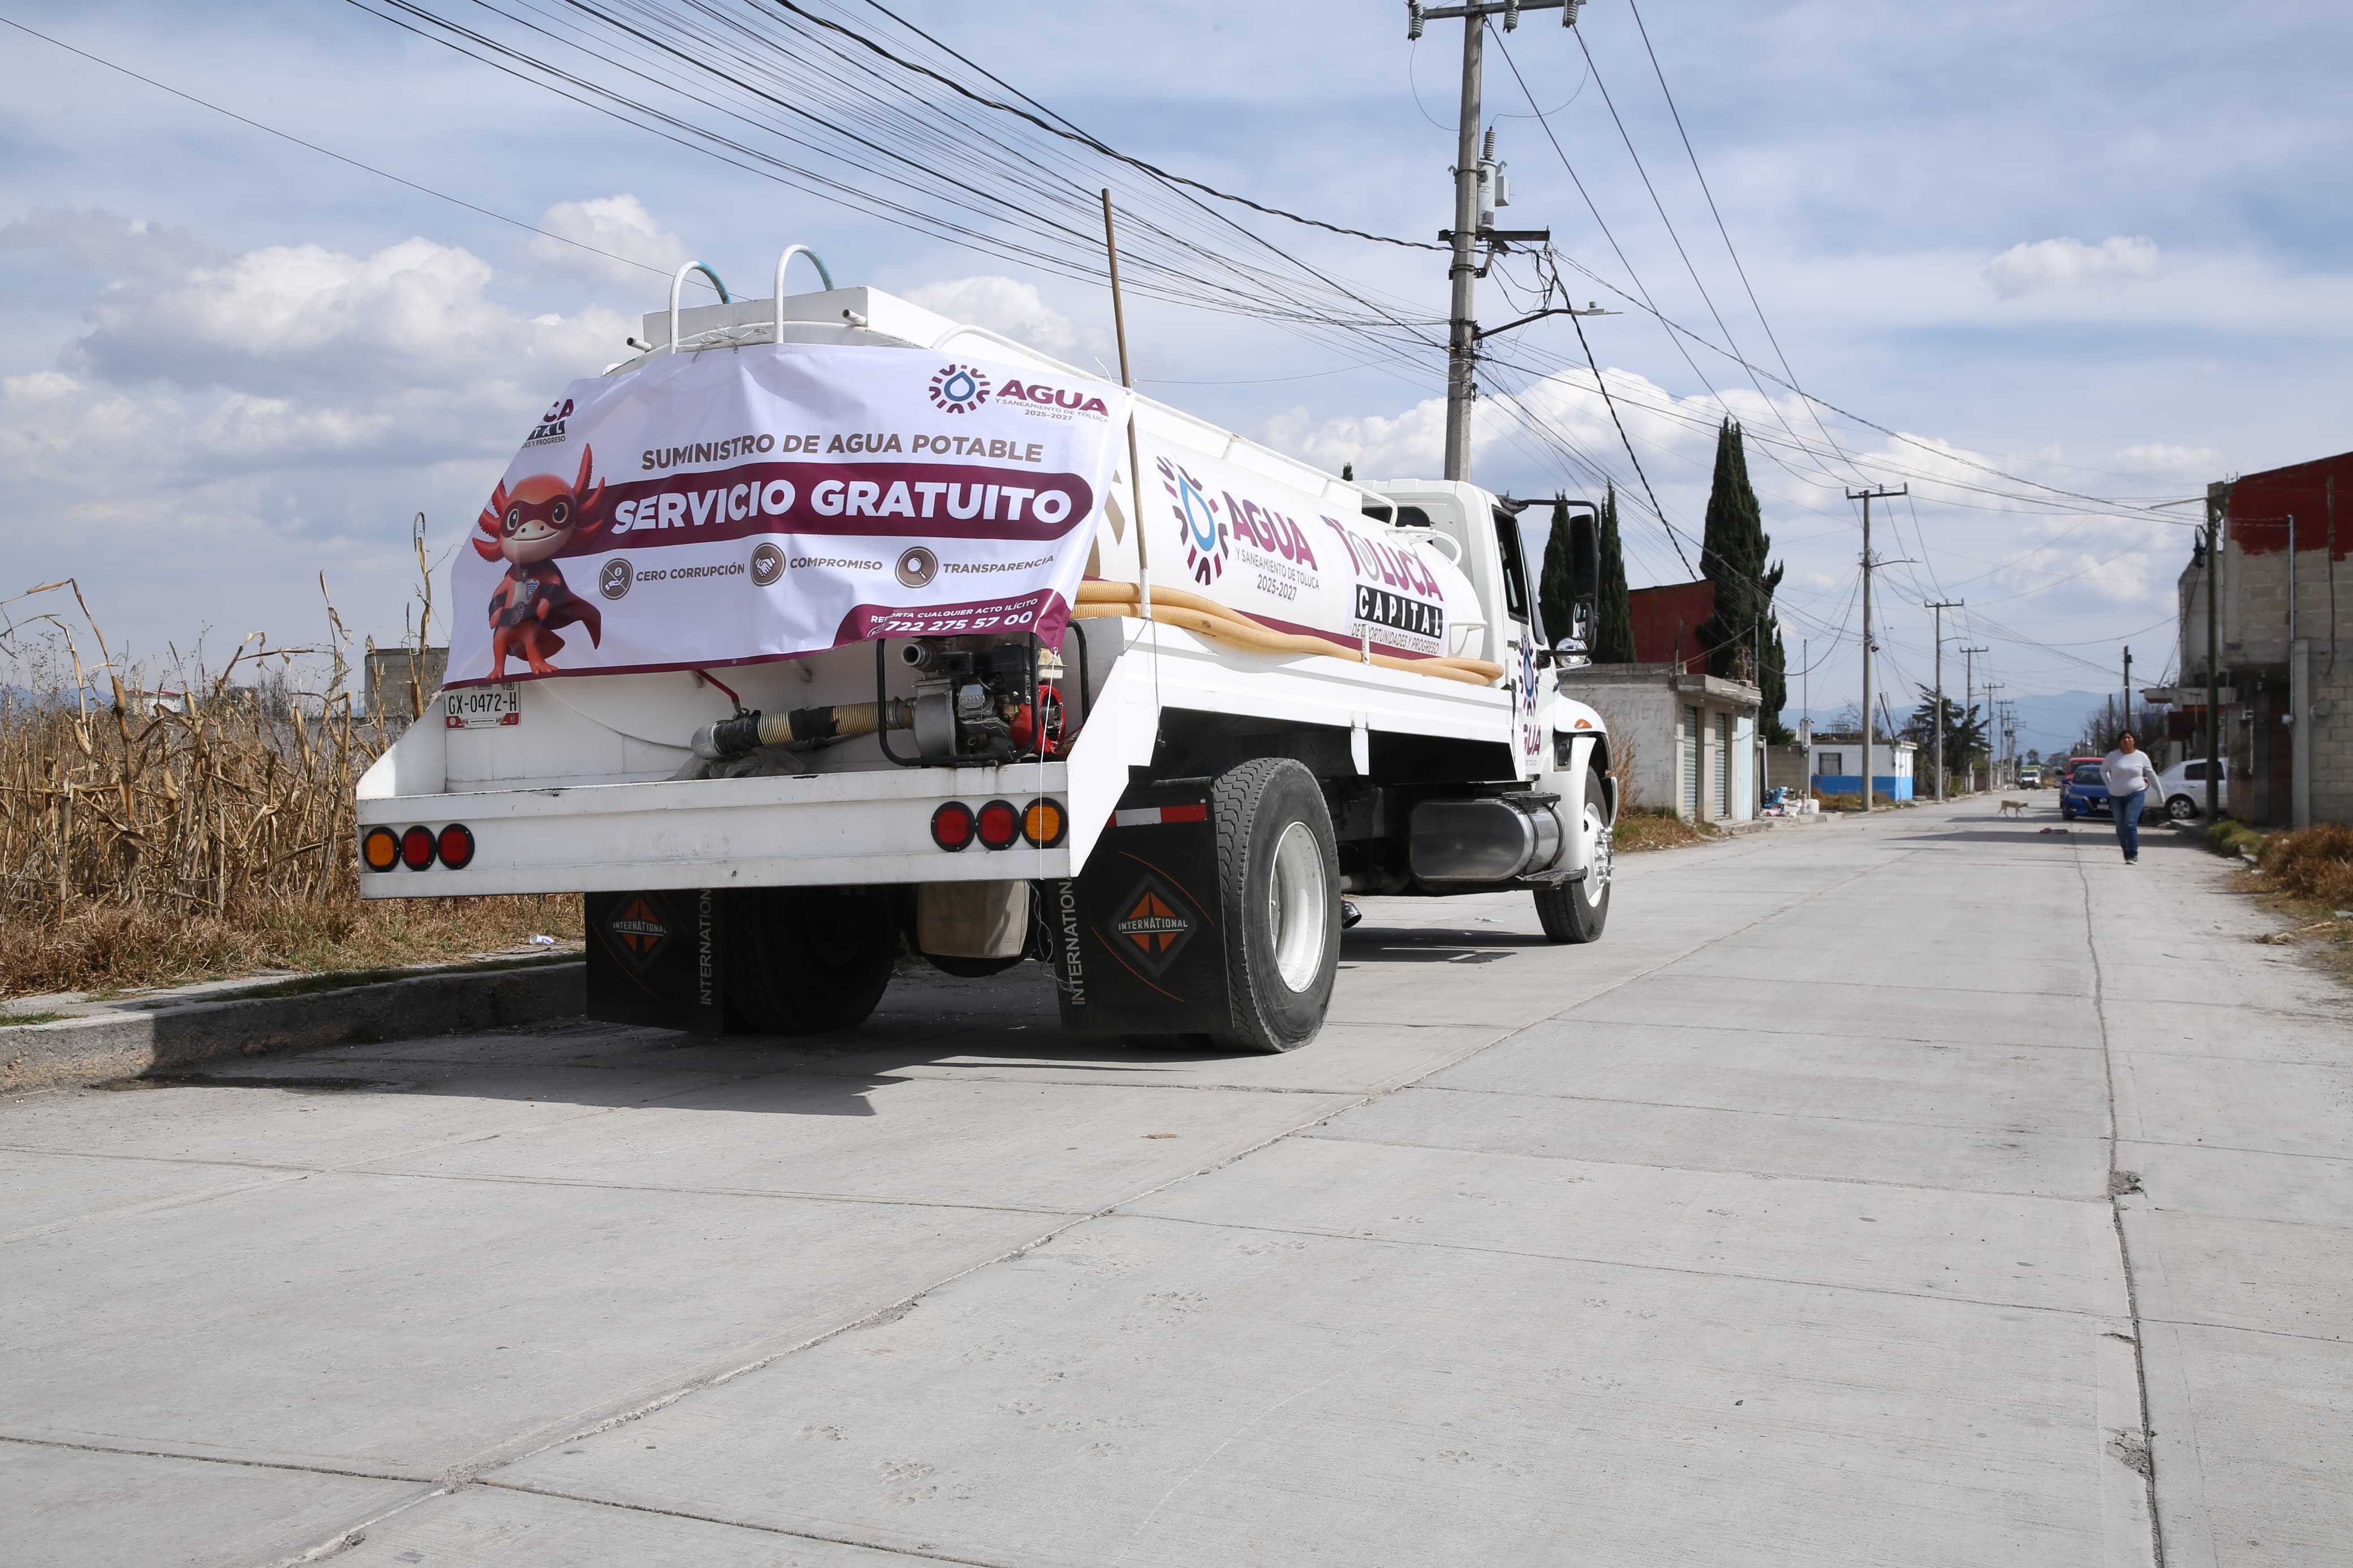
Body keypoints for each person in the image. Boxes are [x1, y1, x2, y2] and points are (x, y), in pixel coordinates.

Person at [2101, 730, 2162, 864]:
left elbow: (2151, 774)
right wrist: (2109, 785)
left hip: (2136, 793)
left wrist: (2159, 792)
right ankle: (2126, 850)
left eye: (2129, 738)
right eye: (2124, 738)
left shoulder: (2141, 756)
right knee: (2121, 826)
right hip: (2116, 795)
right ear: (2120, 742)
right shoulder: (2113, 756)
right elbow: (2103, 770)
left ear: (2134, 740)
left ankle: (2133, 854)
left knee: (2130, 823)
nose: (2127, 741)